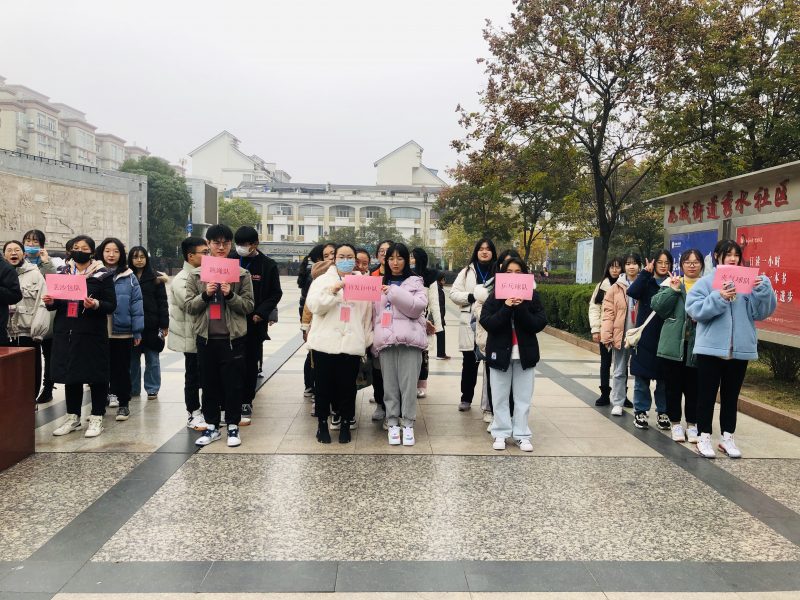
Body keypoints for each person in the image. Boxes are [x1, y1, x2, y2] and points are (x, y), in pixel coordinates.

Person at [686, 240, 776, 459]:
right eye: (728, 254)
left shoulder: (747, 282)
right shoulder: (706, 282)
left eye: (736, 255)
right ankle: (704, 436)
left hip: (739, 350)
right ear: (718, 256)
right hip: (710, 350)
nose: (733, 258)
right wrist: (719, 297)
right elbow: (694, 310)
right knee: (706, 395)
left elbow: (761, 312)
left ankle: (727, 437)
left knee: (731, 396)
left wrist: (763, 290)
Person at [185, 224, 254, 448]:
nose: (221, 247)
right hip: (206, 339)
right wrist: (205, 295)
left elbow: (248, 306)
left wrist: (231, 295)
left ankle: (232, 426)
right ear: (209, 244)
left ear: (230, 244)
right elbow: (189, 307)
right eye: (216, 243)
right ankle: (212, 426)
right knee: (209, 384)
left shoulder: (241, 274)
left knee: (233, 385)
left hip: (232, 339)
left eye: (225, 243)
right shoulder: (196, 274)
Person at [46, 236, 116, 438]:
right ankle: (73, 417)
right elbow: (57, 303)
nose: (79, 251)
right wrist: (50, 302)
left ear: (92, 252)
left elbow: (111, 305)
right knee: (71, 374)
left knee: (96, 374)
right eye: (76, 247)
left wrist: (95, 304)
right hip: (66, 331)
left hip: (92, 333)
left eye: (84, 248)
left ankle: (96, 416)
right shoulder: (63, 273)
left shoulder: (102, 275)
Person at [305, 243, 373, 443]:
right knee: (323, 387)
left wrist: (365, 340)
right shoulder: (322, 280)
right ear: (334, 259)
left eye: (350, 257)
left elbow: (367, 315)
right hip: (325, 344)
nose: (346, 261)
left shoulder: (363, 283)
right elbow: (314, 306)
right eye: (341, 256)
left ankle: (345, 424)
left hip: (351, 344)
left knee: (347, 388)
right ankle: (322, 425)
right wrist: (333, 291)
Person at [480, 256, 547, 451]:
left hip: (525, 354)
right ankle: (500, 433)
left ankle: (522, 434)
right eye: (509, 272)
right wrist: (507, 307)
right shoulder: (495, 296)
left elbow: (538, 323)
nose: (513, 275)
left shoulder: (532, 296)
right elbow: (488, 322)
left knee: (523, 398)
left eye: (518, 272)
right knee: (499, 397)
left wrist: (521, 307)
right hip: (499, 353)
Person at [372, 242, 428, 446]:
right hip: (386, 342)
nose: (395, 262)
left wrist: (393, 292)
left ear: (407, 260)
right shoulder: (377, 283)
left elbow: (416, 308)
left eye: (400, 258)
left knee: (408, 386)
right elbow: (372, 314)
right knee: (389, 386)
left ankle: (408, 424)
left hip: (410, 341)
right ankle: (393, 422)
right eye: (391, 258)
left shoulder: (416, 282)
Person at [651, 248, 704, 443]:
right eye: (688, 262)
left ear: (701, 265)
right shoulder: (671, 282)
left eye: (696, 262)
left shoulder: (707, 285)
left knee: (694, 388)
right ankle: (675, 424)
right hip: (673, 346)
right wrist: (673, 291)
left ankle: (692, 425)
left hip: (697, 346)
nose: (692, 265)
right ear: (681, 265)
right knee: (672, 388)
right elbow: (658, 307)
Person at [233, 226, 282, 423]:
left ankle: (246, 400)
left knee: (250, 362)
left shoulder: (267, 265)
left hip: (254, 322)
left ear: (255, 244)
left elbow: (275, 293)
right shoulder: (229, 260)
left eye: (245, 244)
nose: (241, 248)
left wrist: (261, 313)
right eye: (238, 244)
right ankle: (228, 399)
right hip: (231, 320)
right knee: (231, 362)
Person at [97, 237, 144, 421]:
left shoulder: (129, 276)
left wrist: (137, 330)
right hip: (99, 330)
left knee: (122, 369)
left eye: (116, 251)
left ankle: (124, 404)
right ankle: (99, 405)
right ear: (101, 252)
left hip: (122, 331)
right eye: (108, 251)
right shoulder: (95, 273)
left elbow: (136, 304)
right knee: (100, 369)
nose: (111, 255)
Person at [626, 250, 673, 430]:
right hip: (645, 337)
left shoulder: (673, 283)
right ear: (653, 263)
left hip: (665, 337)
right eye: (660, 262)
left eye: (667, 262)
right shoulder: (647, 281)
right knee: (642, 379)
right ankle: (641, 411)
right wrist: (645, 273)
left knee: (664, 380)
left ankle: (663, 412)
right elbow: (632, 292)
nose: (663, 266)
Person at [449, 238, 497, 412]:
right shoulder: (467, 271)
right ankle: (466, 398)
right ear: (476, 252)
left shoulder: (498, 271)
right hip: (470, 322)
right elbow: (453, 294)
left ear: (493, 252)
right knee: (469, 363)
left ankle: (490, 404)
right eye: (481, 249)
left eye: (488, 249)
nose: (484, 252)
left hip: (491, 322)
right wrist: (471, 297)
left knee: (491, 365)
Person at [168, 237, 209, 430]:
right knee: (193, 376)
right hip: (190, 336)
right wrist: (208, 293)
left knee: (208, 375)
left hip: (207, 334)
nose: (208, 255)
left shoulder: (206, 273)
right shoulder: (182, 279)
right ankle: (193, 412)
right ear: (191, 256)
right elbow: (190, 305)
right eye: (204, 252)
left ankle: (209, 410)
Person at [2, 241, 48, 401]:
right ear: (4, 255)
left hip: (28, 332)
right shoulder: (2, 273)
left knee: (30, 371)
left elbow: (42, 303)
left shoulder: (35, 274)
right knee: (8, 372)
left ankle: (30, 402)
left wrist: (37, 330)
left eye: (17, 250)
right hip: (6, 333)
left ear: (24, 253)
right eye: (9, 250)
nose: (13, 253)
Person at [600, 253, 641, 416]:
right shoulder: (615, 288)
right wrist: (606, 334)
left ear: (640, 266)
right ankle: (618, 402)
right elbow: (608, 313)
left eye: (634, 263)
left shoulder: (645, 284)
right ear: (624, 267)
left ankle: (640, 405)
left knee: (641, 372)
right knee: (619, 370)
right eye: (628, 263)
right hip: (622, 335)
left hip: (641, 335)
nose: (631, 266)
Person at [22, 229, 59, 403]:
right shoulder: (19, 262)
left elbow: (55, 284)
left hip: (46, 317)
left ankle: (48, 387)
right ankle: (28, 388)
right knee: (32, 356)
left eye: (35, 242)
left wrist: (47, 263)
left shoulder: (50, 263)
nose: (31, 244)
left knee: (49, 354)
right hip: (26, 319)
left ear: (42, 245)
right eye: (28, 241)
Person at [127, 246, 168, 402]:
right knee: (132, 360)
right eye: (135, 257)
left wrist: (164, 324)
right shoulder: (126, 277)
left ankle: (152, 388)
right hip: (131, 325)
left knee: (153, 359)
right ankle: (133, 388)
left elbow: (163, 303)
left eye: (142, 257)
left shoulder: (156, 278)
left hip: (152, 325)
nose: (139, 260)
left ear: (147, 258)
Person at [588, 257, 623, 406]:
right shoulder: (602, 286)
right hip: (606, 329)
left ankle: (622, 394)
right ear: (608, 269)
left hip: (622, 330)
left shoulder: (626, 285)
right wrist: (596, 329)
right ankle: (604, 394)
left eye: (618, 267)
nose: (615, 270)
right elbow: (594, 308)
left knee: (621, 364)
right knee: (605, 362)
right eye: (612, 267)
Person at [410, 247, 441, 399]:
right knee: (409, 355)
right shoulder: (406, 275)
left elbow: (434, 303)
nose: (410, 260)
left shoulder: (431, 276)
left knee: (423, 355)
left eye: (412, 257)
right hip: (408, 321)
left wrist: (438, 327)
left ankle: (421, 385)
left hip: (424, 321)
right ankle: (409, 384)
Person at [369, 239, 394, 423]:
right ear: (377, 255)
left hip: (395, 330)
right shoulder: (371, 276)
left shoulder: (402, 276)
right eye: (382, 251)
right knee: (377, 371)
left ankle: (393, 408)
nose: (385, 254)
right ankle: (380, 403)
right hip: (376, 329)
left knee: (393, 373)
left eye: (388, 251)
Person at [435, 273, 449, 359]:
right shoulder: (438, 289)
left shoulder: (438, 288)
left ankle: (441, 353)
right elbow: (440, 304)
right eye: (443, 280)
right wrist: (440, 317)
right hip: (438, 317)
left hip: (439, 316)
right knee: (441, 335)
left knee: (441, 335)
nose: (444, 282)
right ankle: (440, 354)